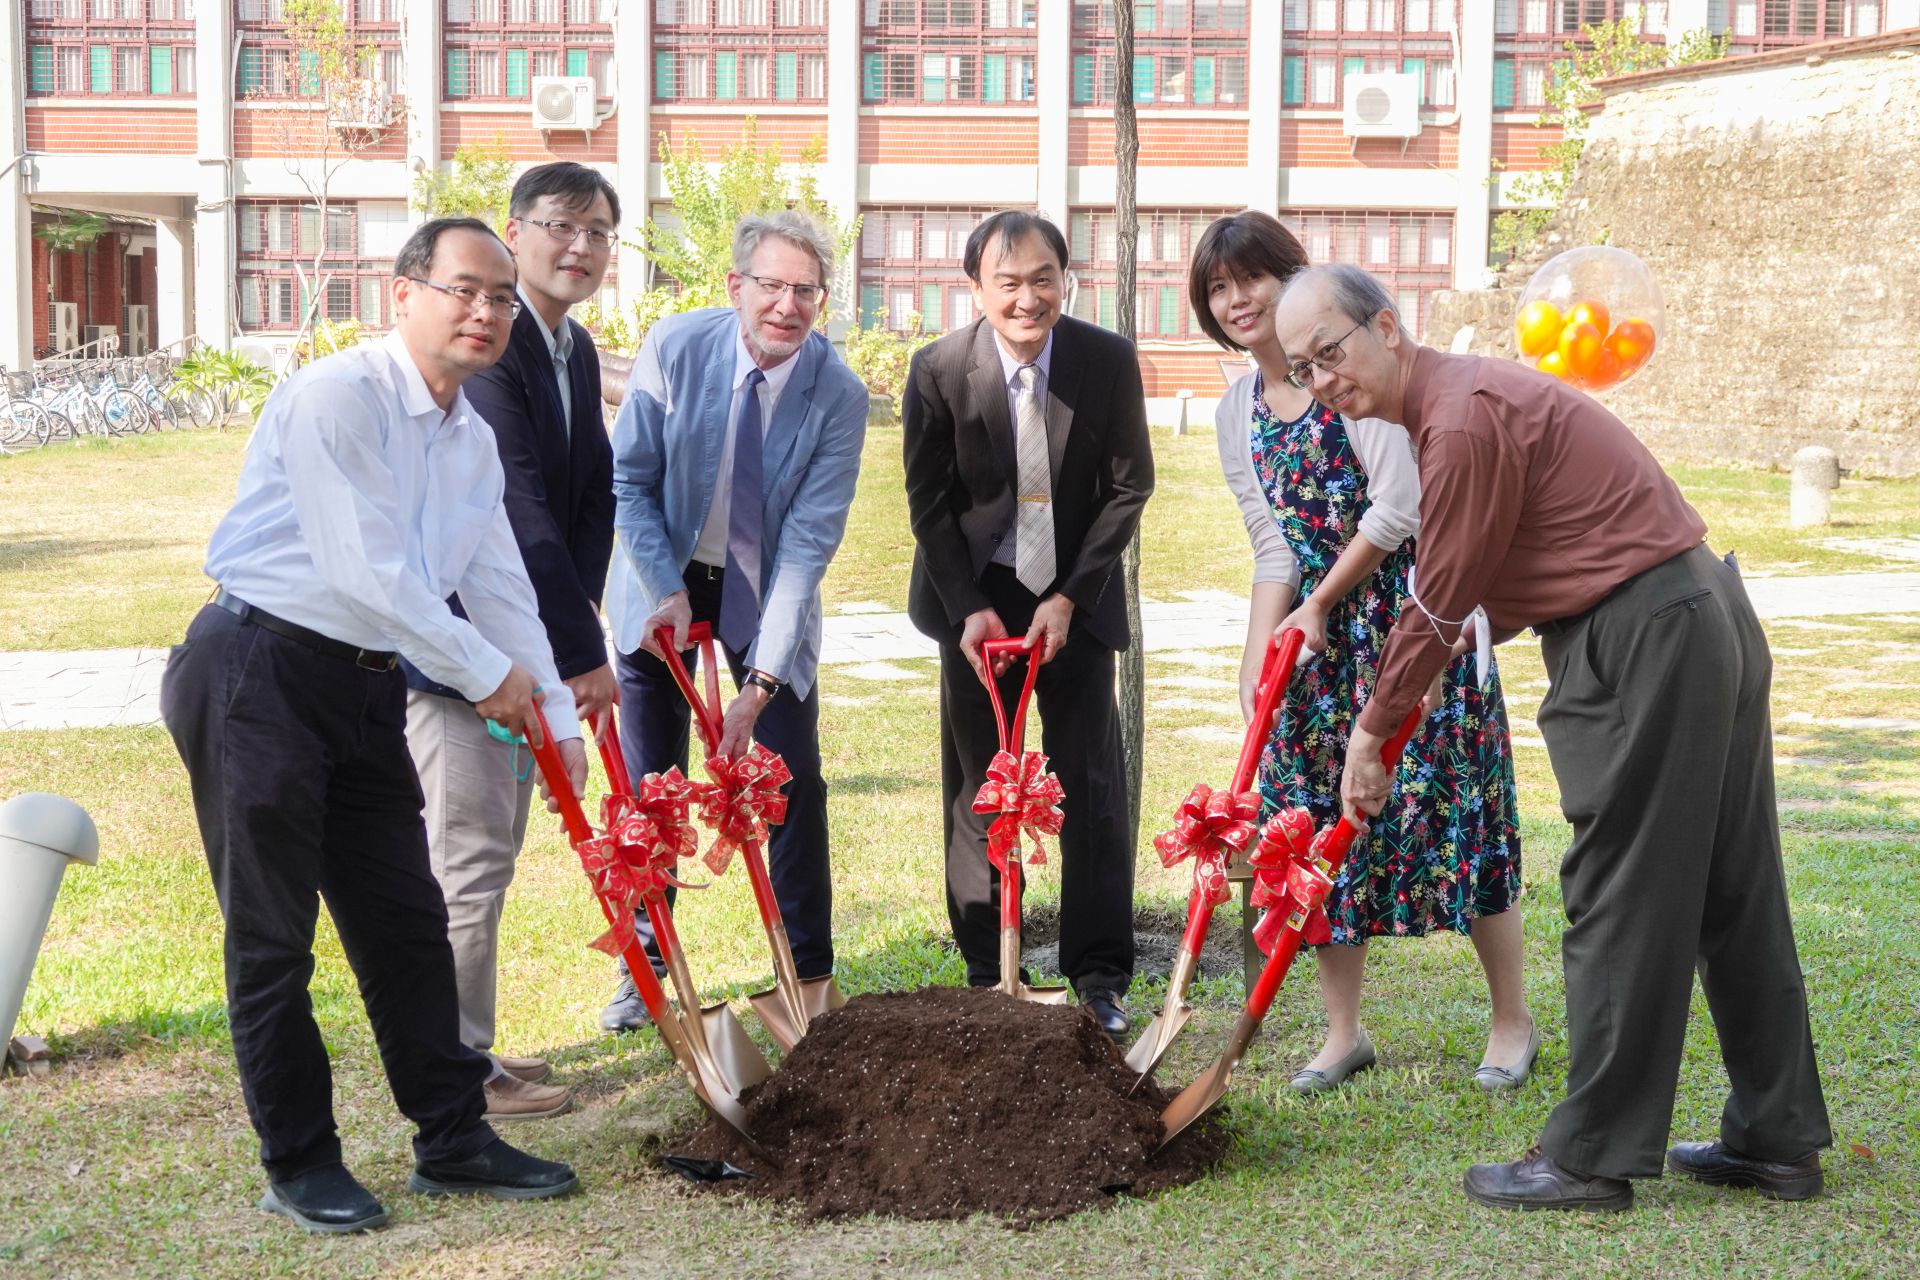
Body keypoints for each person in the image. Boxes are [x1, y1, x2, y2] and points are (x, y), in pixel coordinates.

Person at [1272, 262, 1832, 1212]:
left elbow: (1440, 595)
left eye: (1331, 353)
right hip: (1698, 612)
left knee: (1618, 888)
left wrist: (1371, 735)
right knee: (1729, 887)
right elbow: (1469, 585)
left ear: (1388, 327)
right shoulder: (1461, 404)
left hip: (1647, 632)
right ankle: (1774, 1138)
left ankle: (1591, 1157)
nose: (1324, 382)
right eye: (1304, 369)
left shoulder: (1459, 418)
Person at [158, 217, 586, 1235]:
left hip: (365, 682)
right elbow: (366, 571)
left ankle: (454, 1136)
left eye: (499, 299)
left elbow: (495, 581)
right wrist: (487, 679)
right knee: (274, 936)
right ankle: (300, 1159)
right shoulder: (335, 395)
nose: (484, 312)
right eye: (462, 289)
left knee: (405, 918)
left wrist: (558, 715)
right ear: (403, 294)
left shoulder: (471, 438)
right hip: (255, 667)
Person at [1192, 213, 1533, 1093]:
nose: (1236, 301)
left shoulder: (1351, 384)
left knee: (1463, 815)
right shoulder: (1239, 410)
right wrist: (1259, 654)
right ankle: (1343, 1033)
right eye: (1218, 289)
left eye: (1251, 280)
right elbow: (1272, 542)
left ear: (1293, 281)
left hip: (1413, 623)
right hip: (1314, 648)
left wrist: (1318, 601)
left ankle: (1511, 1021)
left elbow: (1400, 511)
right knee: (1309, 829)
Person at [600, 211, 868, 1029]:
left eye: (806, 291)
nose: (787, 306)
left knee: (790, 784)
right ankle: (644, 966)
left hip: (764, 591)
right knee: (652, 789)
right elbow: (631, 483)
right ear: (736, 287)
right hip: (663, 576)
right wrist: (661, 586)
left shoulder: (838, 395)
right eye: (772, 286)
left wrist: (760, 684)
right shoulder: (675, 349)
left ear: (823, 300)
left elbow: (808, 548)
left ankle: (807, 977)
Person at [901, 209, 1155, 1037]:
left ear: (1065, 279)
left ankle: (1099, 975)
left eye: (1042, 277)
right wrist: (969, 608)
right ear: (976, 288)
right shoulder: (938, 369)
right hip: (974, 602)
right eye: (1007, 282)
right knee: (981, 787)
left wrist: (1070, 597)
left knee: (1090, 785)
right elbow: (929, 505)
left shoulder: (1106, 360)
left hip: (1073, 599)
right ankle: (988, 968)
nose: (1027, 298)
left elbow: (1128, 486)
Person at [401, 163, 619, 1120]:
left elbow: (591, 504)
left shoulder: (568, 347)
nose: (580, 247)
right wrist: (579, 656)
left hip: (525, 645)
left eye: (600, 232)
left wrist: (578, 638)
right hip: (464, 658)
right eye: (561, 226)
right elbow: (521, 519)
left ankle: (472, 1050)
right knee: (469, 862)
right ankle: (459, 1075)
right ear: (515, 231)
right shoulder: (497, 357)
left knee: (485, 856)